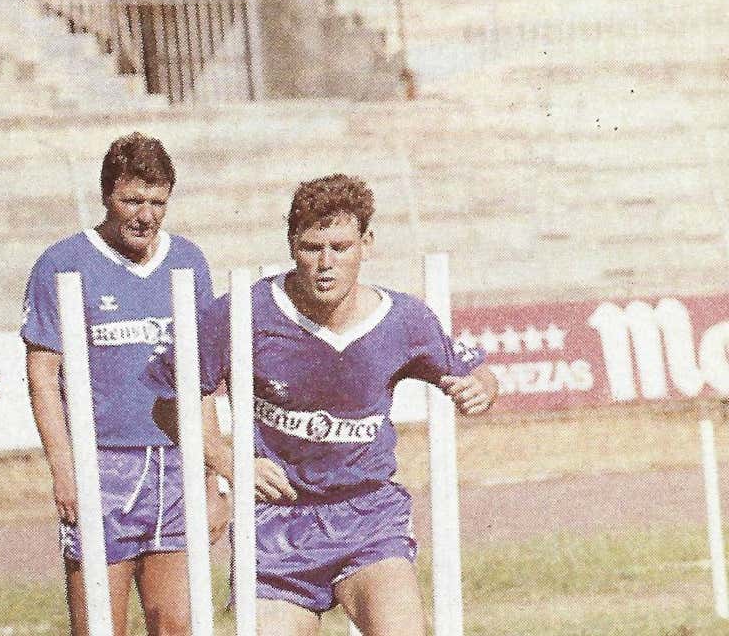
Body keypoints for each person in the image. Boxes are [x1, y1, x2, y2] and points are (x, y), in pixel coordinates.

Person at [144, 174, 499, 636]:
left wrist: (483, 389)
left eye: (340, 246)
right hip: (277, 527)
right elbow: (170, 398)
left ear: (366, 244)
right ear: (292, 244)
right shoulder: (245, 312)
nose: (325, 264)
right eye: (312, 247)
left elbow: (475, 370)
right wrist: (227, 461)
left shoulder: (402, 320)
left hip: (367, 516)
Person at [21, 132, 230, 636]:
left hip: (174, 462)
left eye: (158, 202)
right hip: (104, 464)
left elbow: (199, 382)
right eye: (132, 200)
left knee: (177, 622)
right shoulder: (62, 263)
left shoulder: (188, 262)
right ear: (106, 197)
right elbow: (43, 375)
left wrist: (211, 479)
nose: (146, 214)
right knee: (98, 624)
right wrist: (64, 469)